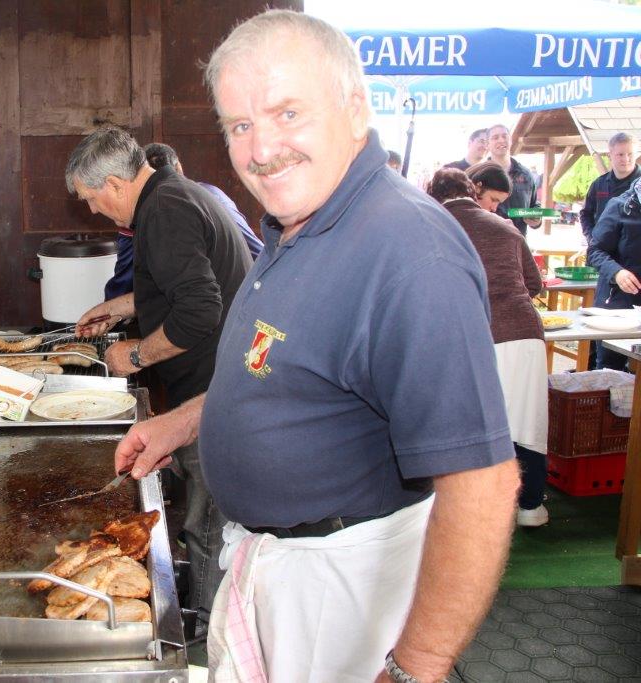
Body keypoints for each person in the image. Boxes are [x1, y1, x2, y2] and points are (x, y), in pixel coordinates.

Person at [111, 10, 519, 682]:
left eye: (288, 113)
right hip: (277, 568)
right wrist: (179, 423)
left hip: (340, 588)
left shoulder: (410, 251)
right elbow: (282, 377)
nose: (261, 148)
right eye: (240, 125)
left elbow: (483, 484)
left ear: (355, 108)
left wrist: (415, 667)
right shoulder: (294, 223)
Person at [66, 125, 252, 635]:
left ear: (113, 183)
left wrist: (136, 355)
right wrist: (119, 307)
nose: (92, 210)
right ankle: (205, 608)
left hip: (213, 390)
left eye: (91, 199)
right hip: (210, 380)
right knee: (201, 510)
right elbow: (175, 289)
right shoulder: (170, 196)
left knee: (207, 519)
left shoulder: (165, 210)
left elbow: (199, 311)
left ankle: (207, 627)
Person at [428, 168, 549, 528]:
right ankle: (530, 507)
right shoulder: (506, 227)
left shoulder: (432, 224)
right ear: (473, 191)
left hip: (471, 335)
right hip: (524, 331)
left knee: (470, 423)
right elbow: (534, 284)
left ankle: (468, 510)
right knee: (526, 422)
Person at [104, 142, 262, 299]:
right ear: (178, 167)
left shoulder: (152, 211)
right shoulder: (212, 194)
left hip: (227, 300)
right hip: (256, 284)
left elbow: (125, 282)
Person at [587, 177, 641, 371]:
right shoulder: (619, 206)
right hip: (616, 303)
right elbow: (594, 251)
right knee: (610, 369)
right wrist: (617, 272)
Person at [580, 133, 640, 242]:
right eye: (620, 154)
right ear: (610, 155)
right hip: (602, 249)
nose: (626, 159)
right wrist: (592, 238)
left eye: (630, 154)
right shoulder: (599, 184)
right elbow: (586, 214)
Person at [487, 123, 542, 235]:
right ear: (487, 144)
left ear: (510, 140)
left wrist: (537, 220)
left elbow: (534, 204)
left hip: (518, 240)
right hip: (488, 240)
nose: (501, 140)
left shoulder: (525, 174)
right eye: (495, 137)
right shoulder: (479, 175)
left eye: (504, 136)